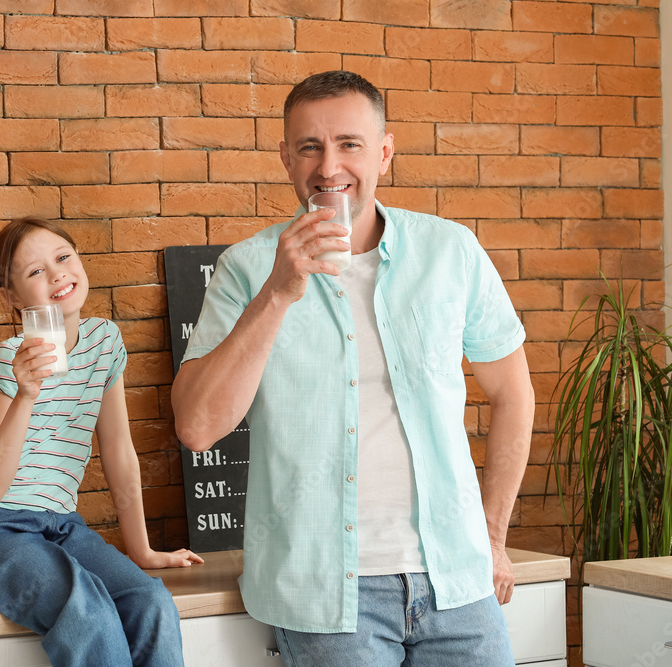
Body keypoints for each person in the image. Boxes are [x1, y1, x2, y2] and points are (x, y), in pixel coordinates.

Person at [172, 70, 535, 665]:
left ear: (384, 153)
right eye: (310, 147)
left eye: (349, 144)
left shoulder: (452, 252)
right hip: (325, 597)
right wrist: (280, 292)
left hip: (458, 582)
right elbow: (198, 425)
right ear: (285, 157)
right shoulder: (246, 269)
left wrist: (493, 538)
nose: (328, 167)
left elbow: (514, 395)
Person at [0, 217, 202, 667]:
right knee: (87, 609)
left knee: (149, 601)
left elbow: (117, 448)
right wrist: (26, 394)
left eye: (62, 258)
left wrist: (141, 551)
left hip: (56, 525)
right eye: (35, 271)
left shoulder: (104, 343)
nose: (57, 274)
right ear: (11, 297)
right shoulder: (6, 363)